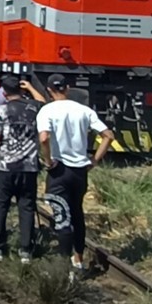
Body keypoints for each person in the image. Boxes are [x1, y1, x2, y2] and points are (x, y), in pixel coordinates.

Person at [36, 74, 115, 271]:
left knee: (62, 218)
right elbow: (108, 135)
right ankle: (78, 259)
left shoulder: (47, 110)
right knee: (77, 214)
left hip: (59, 170)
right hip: (80, 172)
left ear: (49, 90)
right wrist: (94, 160)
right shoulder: (84, 111)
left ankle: (65, 265)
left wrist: (48, 161)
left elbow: (44, 138)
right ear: (68, 88)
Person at [0, 75, 46, 263]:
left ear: (4, 93)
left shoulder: (1, 110)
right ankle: (26, 249)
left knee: (0, 206)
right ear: (21, 90)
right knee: (27, 207)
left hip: (5, 167)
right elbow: (43, 103)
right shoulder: (33, 108)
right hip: (29, 167)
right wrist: (30, 88)